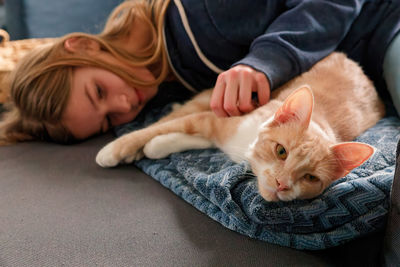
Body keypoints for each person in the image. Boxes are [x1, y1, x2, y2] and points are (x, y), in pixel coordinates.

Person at [0, 0, 399, 144]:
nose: (124, 106)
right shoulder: (169, 79)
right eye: (108, 122)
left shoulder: (202, 13)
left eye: (99, 92)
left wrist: (265, 60)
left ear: (83, 45)